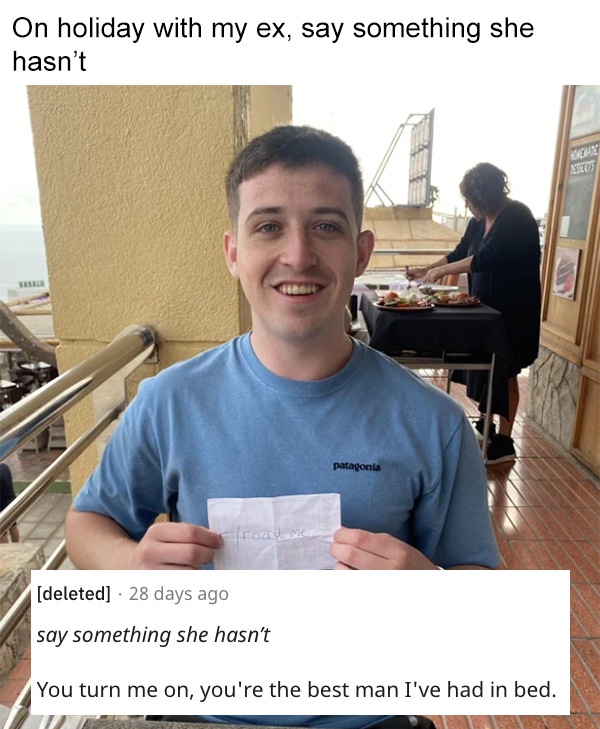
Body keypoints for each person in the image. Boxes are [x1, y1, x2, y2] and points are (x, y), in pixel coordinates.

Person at [65, 125, 498, 729]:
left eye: (326, 226)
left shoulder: (435, 424)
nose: (298, 254)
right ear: (233, 252)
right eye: (268, 226)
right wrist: (129, 566)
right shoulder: (169, 401)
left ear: (361, 252)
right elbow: (87, 522)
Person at [407, 163, 541, 465]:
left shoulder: (517, 217)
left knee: (506, 371)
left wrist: (440, 273)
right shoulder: (479, 221)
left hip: (513, 312)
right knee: (487, 368)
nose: (468, 206)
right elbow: (460, 253)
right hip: (485, 310)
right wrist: (426, 269)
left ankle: (505, 442)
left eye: (470, 200)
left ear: (485, 196)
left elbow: (483, 258)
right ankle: (486, 424)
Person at [0, 463, 20, 543]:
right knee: (13, 527)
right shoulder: (5, 467)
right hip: (10, 501)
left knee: (2, 533)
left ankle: (6, 550)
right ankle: (16, 546)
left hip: (1, 506)